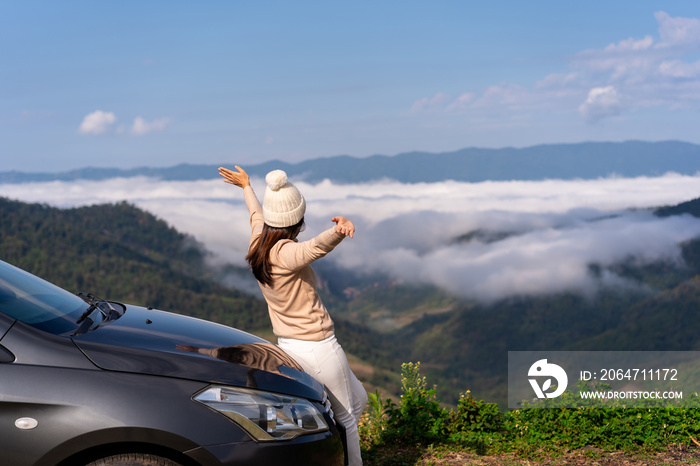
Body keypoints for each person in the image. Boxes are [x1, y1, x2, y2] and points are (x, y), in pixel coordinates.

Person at [219, 165, 368, 465]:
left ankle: (322, 452)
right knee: (348, 418)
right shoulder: (286, 254)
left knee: (359, 399)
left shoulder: (259, 242)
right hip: (318, 346)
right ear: (294, 223)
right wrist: (338, 231)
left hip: (290, 345)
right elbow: (314, 248)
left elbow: (255, 215)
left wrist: (247, 186)